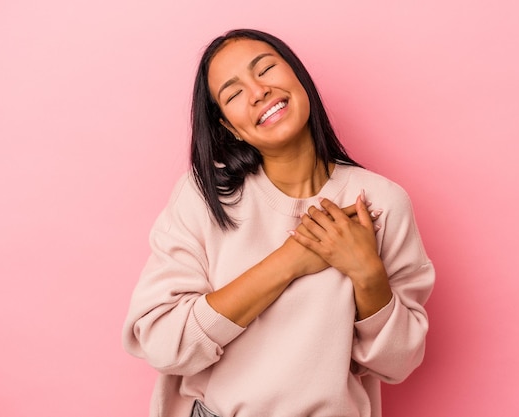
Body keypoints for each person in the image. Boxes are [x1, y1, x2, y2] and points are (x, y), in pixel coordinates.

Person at [122, 28, 435, 417]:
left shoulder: (381, 203)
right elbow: (163, 344)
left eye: (266, 69)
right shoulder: (204, 196)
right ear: (230, 128)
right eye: (234, 94)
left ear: (299, 78)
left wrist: (366, 271)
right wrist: (291, 260)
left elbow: (398, 362)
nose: (258, 92)